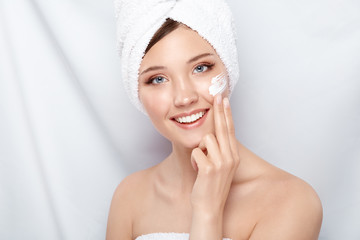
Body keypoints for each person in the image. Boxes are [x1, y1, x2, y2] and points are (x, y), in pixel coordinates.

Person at [107, 0, 323, 239]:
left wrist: (207, 212)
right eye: (158, 79)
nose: (184, 97)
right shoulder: (129, 196)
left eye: (200, 68)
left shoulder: (291, 202)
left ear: (228, 70)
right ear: (137, 92)